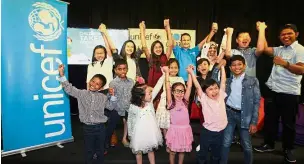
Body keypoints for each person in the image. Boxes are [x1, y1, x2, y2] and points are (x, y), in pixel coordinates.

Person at [254, 24, 304, 163]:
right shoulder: (280, 49)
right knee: (271, 120)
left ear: (296, 34)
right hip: (274, 90)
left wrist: (285, 64)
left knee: (289, 124)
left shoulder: (300, 50)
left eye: (289, 34)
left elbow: (301, 69)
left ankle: (288, 149)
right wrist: (262, 30)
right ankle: (269, 144)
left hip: (290, 93)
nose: (286, 36)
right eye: (283, 34)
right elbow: (263, 48)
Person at [57, 64, 117, 164]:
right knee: (89, 150)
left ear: (101, 87)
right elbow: (69, 88)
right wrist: (62, 74)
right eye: (93, 81)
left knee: (100, 150)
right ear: (89, 81)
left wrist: (113, 97)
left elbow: (110, 107)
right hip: (87, 128)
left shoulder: (103, 97)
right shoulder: (82, 93)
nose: (94, 84)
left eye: (97, 84)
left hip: (101, 128)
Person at [221, 55, 261, 164]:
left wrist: (254, 122)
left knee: (246, 144)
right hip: (229, 114)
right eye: (233, 65)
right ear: (230, 68)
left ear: (244, 66)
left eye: (239, 64)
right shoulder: (227, 81)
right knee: (225, 142)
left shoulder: (253, 81)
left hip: (245, 117)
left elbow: (257, 102)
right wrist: (219, 66)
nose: (236, 67)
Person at [189, 63, 227, 164]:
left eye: (215, 88)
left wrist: (222, 67)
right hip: (208, 131)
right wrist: (191, 73)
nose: (214, 91)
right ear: (205, 92)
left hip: (220, 132)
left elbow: (223, 82)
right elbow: (197, 85)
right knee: (203, 154)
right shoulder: (204, 99)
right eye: (210, 89)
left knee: (216, 154)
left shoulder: (221, 95)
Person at [164, 65, 193, 164]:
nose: (179, 94)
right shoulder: (171, 103)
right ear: (172, 92)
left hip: (185, 130)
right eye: (177, 91)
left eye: (182, 91)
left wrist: (190, 73)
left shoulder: (185, 102)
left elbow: (189, 86)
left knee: (182, 151)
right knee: (172, 152)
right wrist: (167, 73)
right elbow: (167, 87)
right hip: (174, 131)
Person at [127, 83, 163, 164]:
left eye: (151, 93)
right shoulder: (133, 107)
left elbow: (157, 88)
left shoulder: (149, 103)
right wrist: (130, 134)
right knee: (138, 151)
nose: (151, 95)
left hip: (150, 132)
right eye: (149, 93)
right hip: (138, 134)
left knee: (150, 149)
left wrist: (164, 74)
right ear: (141, 96)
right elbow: (130, 120)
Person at [104, 59, 134, 153]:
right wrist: (109, 93)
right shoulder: (113, 83)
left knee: (128, 124)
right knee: (111, 127)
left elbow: (133, 94)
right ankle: (105, 144)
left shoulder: (131, 82)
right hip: (116, 108)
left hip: (128, 107)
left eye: (124, 69)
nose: (122, 71)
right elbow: (109, 96)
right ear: (115, 70)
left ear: (127, 69)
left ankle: (124, 139)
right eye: (119, 69)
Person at [155, 59, 184, 137]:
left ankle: (173, 137)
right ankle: (166, 137)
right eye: (171, 67)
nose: (174, 69)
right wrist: (150, 100)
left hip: (176, 103)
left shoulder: (180, 79)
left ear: (178, 69)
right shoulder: (164, 76)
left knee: (173, 121)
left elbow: (183, 92)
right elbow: (157, 88)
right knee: (165, 120)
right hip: (164, 102)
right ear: (168, 68)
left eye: (176, 67)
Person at [139, 19, 173, 87]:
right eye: (156, 47)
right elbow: (144, 46)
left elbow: (170, 45)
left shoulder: (165, 56)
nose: (158, 49)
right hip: (152, 86)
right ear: (152, 49)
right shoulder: (150, 57)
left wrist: (168, 28)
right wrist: (142, 30)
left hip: (164, 85)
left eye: (160, 47)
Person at [86, 24, 115, 90]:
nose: (99, 55)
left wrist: (103, 33)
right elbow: (88, 81)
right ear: (94, 55)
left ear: (105, 54)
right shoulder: (91, 65)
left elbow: (107, 47)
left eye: (101, 53)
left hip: (107, 91)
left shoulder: (108, 61)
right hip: (95, 92)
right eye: (97, 53)